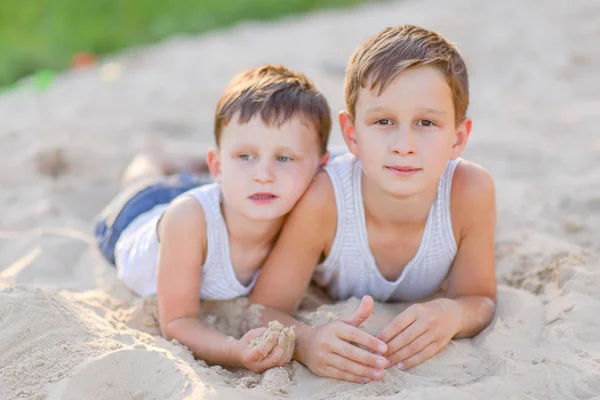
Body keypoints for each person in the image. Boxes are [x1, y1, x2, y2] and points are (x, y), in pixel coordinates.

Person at [248, 25, 497, 383]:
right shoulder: (325, 198)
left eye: (426, 122)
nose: (404, 144)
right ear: (352, 134)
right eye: (383, 121)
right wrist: (305, 340)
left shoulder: (470, 191)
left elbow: (480, 298)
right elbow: (260, 310)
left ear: (458, 138)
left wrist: (452, 314)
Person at [94, 64, 332, 373]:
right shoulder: (188, 221)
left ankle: (189, 165)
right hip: (137, 215)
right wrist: (234, 350)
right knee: (141, 181)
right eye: (245, 155)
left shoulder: (300, 213)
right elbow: (178, 322)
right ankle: (152, 156)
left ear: (319, 167)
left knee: (198, 185)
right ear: (217, 166)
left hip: (228, 194)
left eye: (284, 158)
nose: (264, 175)